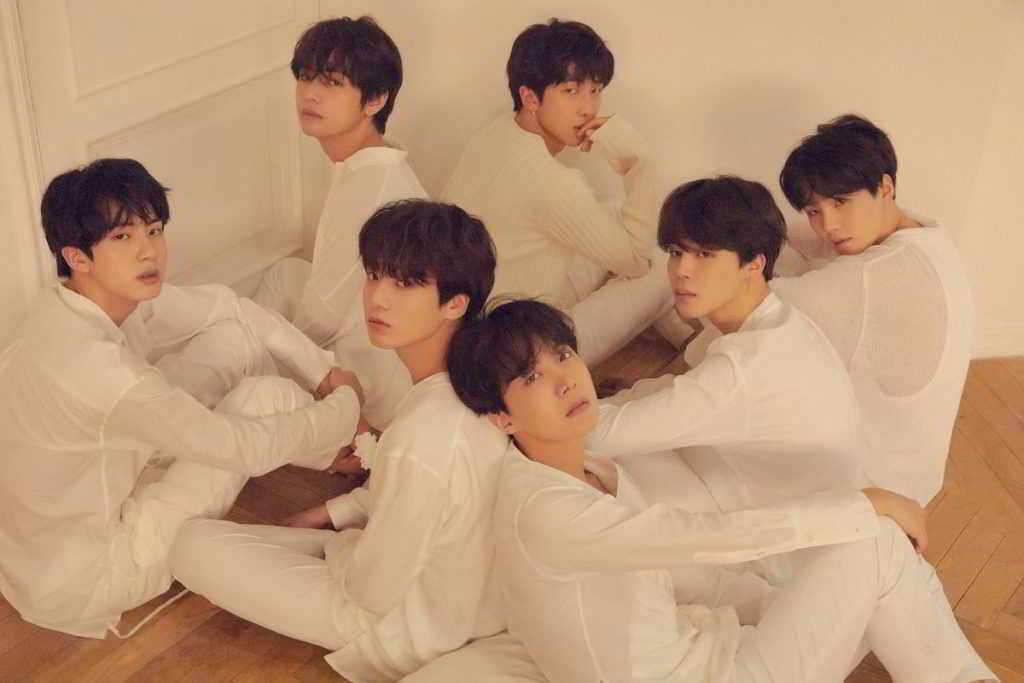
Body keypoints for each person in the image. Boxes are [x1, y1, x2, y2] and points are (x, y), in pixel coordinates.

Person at [426, 298, 993, 683]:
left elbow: (691, 575)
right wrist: (866, 502)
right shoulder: (543, 511)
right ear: (501, 417)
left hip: (714, 652)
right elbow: (700, 537)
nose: (564, 380)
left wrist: (783, 603)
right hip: (710, 671)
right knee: (876, 545)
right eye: (530, 378)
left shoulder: (590, 470)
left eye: (563, 355)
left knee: (878, 564)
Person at [0, 158, 362, 639]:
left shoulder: (67, 305)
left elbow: (228, 306)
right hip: (94, 573)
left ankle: (343, 450)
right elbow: (242, 450)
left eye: (154, 230)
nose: (148, 252)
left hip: (33, 553)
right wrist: (346, 404)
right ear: (77, 257)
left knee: (232, 338)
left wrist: (322, 371)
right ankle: (352, 452)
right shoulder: (99, 367)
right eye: (123, 237)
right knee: (267, 397)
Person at [170, 200, 510, 682]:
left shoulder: (425, 431)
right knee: (242, 538)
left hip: (400, 627)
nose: (378, 299)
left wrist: (345, 543)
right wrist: (331, 515)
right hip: (451, 599)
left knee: (190, 544)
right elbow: (427, 495)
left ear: (455, 303)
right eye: (374, 275)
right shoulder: (474, 386)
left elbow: (372, 592)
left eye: (406, 284)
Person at [442, 18, 676, 366]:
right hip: (520, 352)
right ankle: (694, 340)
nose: (588, 108)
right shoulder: (551, 182)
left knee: (617, 213)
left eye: (595, 90)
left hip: (477, 320)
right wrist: (638, 163)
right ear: (529, 97)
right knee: (662, 263)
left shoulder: (497, 132)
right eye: (571, 91)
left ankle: (685, 336)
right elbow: (637, 263)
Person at [768, 113, 974, 506]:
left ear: (886, 187)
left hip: (870, 489)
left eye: (841, 201)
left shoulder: (874, 273)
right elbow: (784, 235)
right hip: (916, 473)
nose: (828, 225)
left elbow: (747, 305)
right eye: (813, 211)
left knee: (735, 283)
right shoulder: (929, 235)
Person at [256, 16, 427, 428]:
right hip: (375, 346)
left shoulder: (369, 188)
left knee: (244, 353)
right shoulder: (372, 167)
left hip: (370, 376)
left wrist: (271, 357)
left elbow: (323, 317)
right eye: (305, 77)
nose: (310, 94)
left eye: (333, 83)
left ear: (375, 100)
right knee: (285, 274)